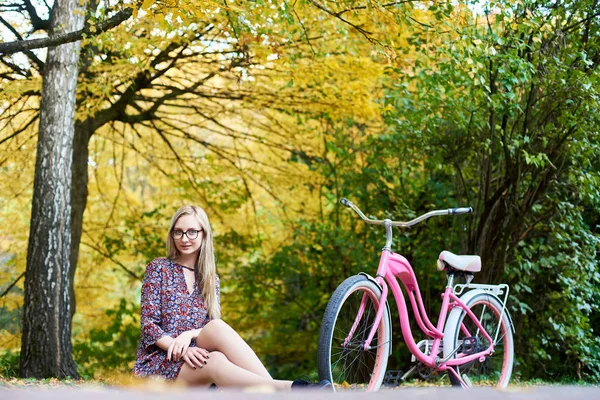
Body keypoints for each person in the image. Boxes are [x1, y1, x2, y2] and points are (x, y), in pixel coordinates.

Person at [133, 205, 331, 391]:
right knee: (215, 360)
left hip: (197, 358)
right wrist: (182, 349)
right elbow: (149, 326)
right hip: (161, 363)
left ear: (204, 234)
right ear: (172, 234)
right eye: (179, 232)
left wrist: (189, 335)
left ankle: (280, 390)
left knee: (217, 329)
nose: (185, 238)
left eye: (192, 231)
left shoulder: (210, 279)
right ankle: (294, 389)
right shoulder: (158, 268)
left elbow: (209, 328)